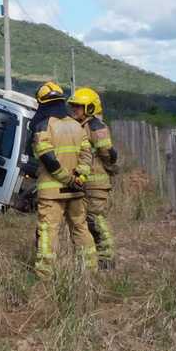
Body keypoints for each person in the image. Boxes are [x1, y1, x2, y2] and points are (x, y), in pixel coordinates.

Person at [31, 81, 96, 275]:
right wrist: (80, 176)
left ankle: (45, 274)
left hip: (52, 192)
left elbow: (47, 158)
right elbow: (87, 154)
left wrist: (67, 179)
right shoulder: (77, 126)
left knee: (48, 231)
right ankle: (90, 270)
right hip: (76, 190)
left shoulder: (44, 126)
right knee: (80, 228)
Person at [68, 87, 119, 269]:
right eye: (73, 106)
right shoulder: (81, 126)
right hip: (87, 183)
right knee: (89, 221)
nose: (74, 109)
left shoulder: (95, 126)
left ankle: (107, 259)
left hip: (96, 183)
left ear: (90, 108)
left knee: (96, 220)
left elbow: (108, 154)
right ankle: (99, 258)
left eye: (78, 106)